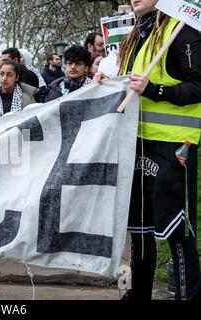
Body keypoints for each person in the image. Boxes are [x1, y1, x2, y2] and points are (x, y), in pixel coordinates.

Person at [112, 0, 201, 300]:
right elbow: (130, 85)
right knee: (139, 229)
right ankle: (137, 295)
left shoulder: (182, 30)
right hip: (135, 141)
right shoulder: (137, 33)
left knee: (176, 230)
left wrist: (155, 89)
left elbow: (199, 85)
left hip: (174, 145)